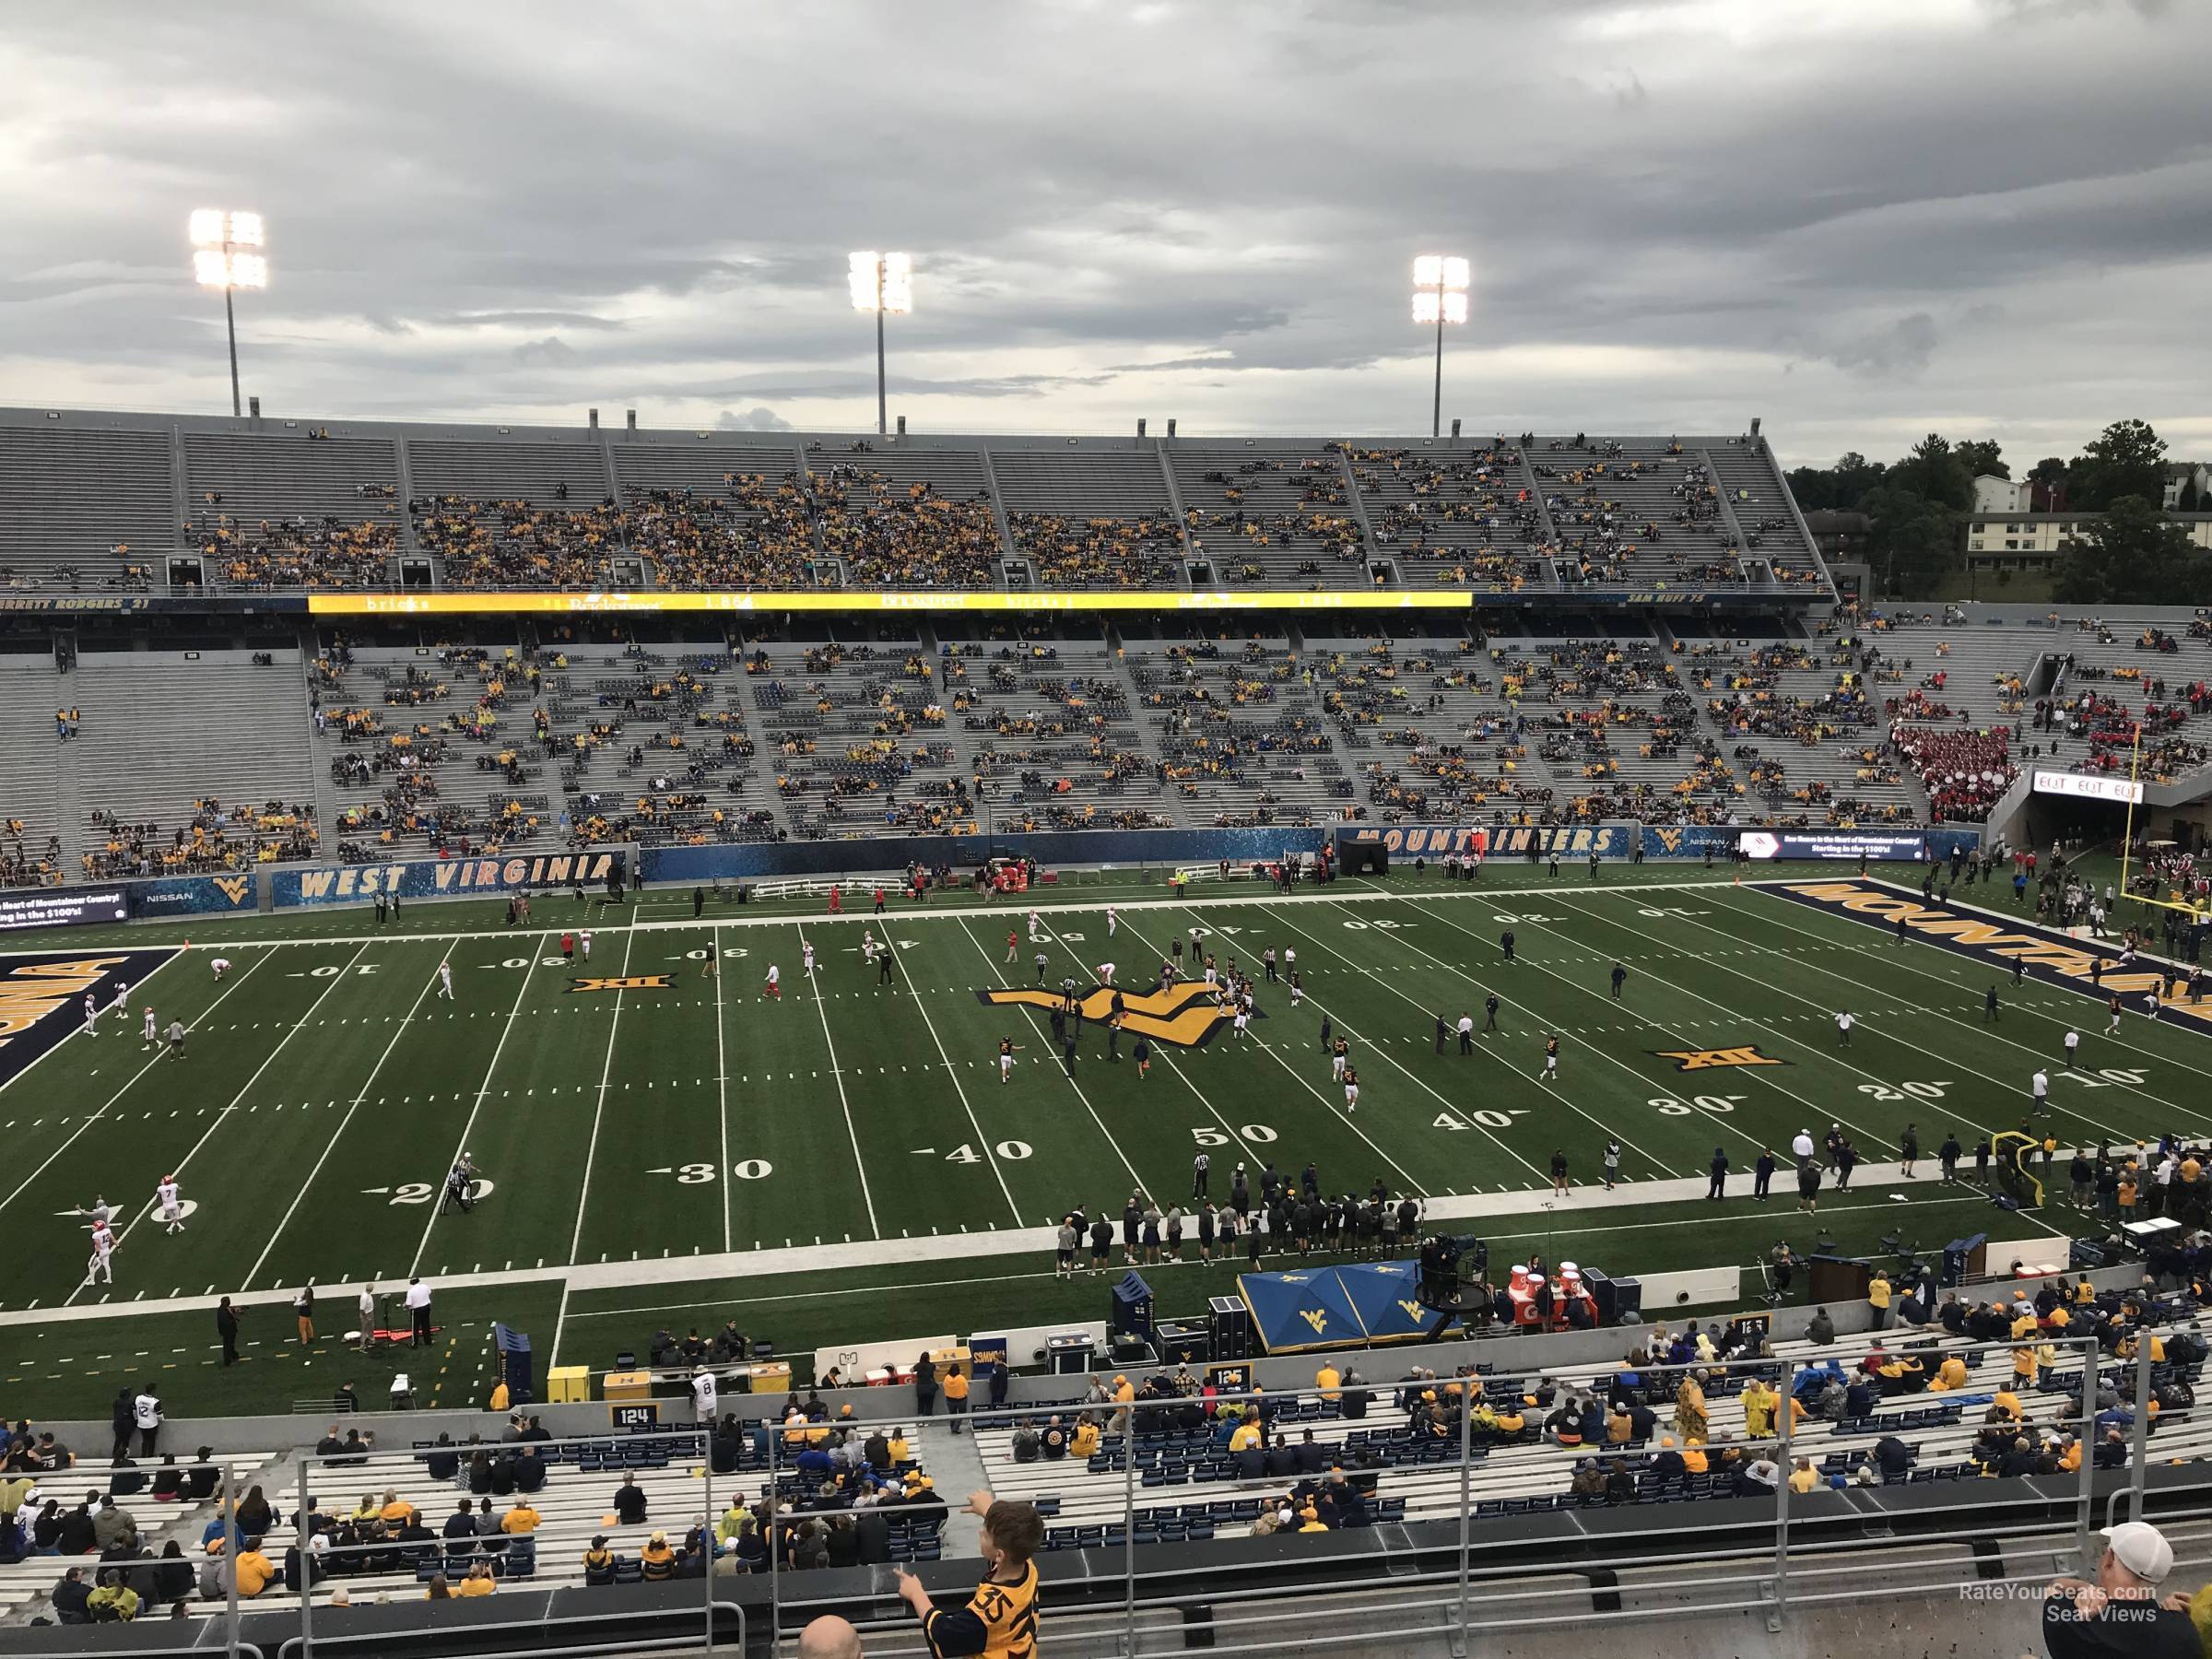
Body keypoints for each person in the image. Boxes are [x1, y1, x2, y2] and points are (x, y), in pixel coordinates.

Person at [895, 1491, 1041, 1658]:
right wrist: (989, 1511)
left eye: (986, 1534)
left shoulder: (989, 1612)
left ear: (999, 1555)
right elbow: (1014, 1538)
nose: (980, 1532)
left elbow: (943, 1633)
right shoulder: (1027, 1567)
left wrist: (916, 1593)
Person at [2041, 1521, 2194, 1656]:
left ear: (2108, 1560)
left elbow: (2054, 1588)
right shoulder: (2185, 1631)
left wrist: (2086, 1588)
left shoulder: (2070, 1621)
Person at [406, 1277, 433, 1347]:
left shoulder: (411, 1291)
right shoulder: (425, 1286)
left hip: (416, 1310)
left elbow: (409, 1303)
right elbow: (429, 1292)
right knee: (426, 1325)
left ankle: (414, 1343)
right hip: (426, 1307)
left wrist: (404, 1305)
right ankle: (428, 1341)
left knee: (415, 1327)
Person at [216, 1298, 241, 1366]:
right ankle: (227, 1361)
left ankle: (234, 1355)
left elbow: (230, 1310)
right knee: (228, 1345)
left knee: (230, 1344)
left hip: (229, 1331)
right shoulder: (223, 1311)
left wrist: (235, 1310)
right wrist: (234, 1320)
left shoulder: (224, 1308)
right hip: (228, 1331)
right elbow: (225, 1322)